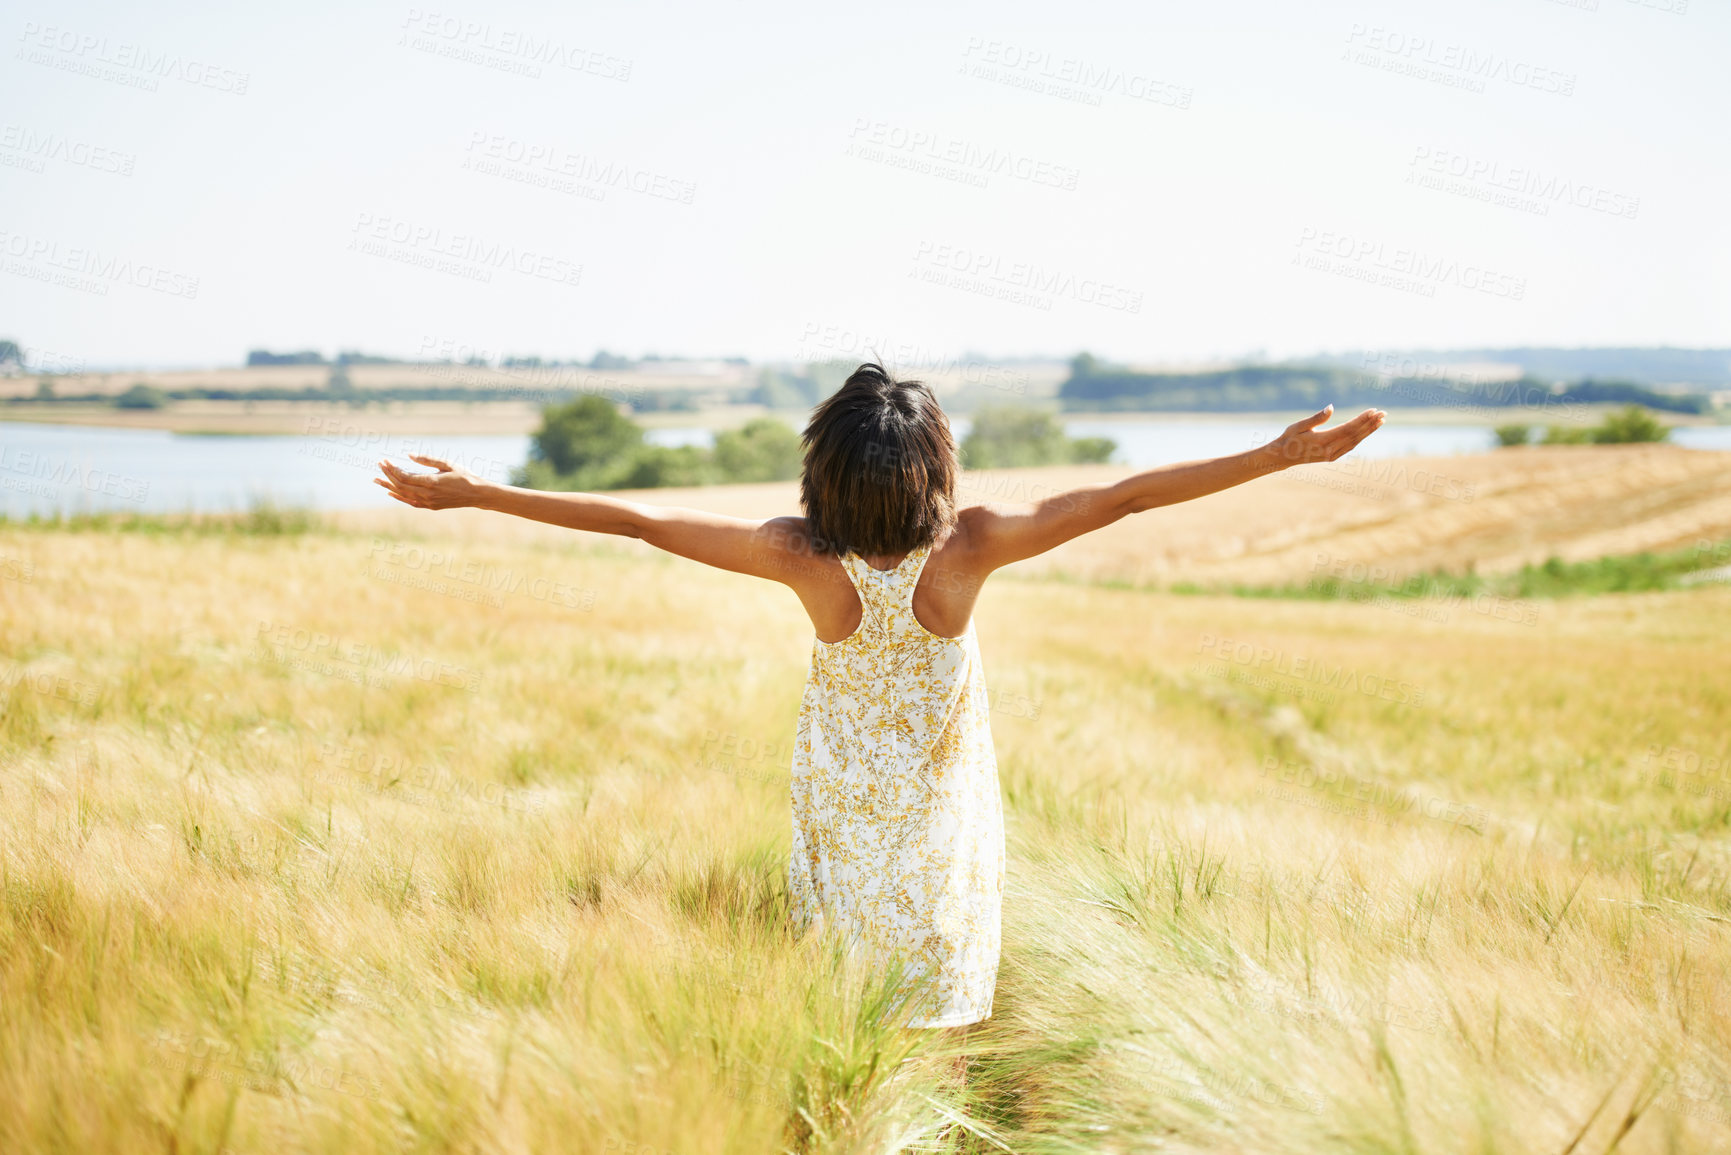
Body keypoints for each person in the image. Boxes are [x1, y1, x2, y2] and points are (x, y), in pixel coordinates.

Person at [373, 362, 1385, 1032]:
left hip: (841, 825)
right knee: (939, 1016)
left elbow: (640, 520)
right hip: (940, 825)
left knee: (853, 1012)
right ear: (936, 466)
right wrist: (1274, 457)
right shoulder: (973, 545)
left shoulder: (797, 554)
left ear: (826, 476)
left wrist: (480, 492)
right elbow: (1124, 497)